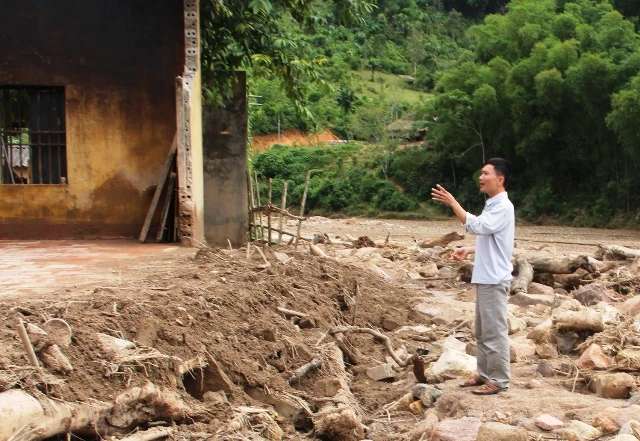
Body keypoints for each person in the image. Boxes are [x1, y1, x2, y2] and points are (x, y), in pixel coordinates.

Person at [431, 158, 514, 395]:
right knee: (481, 331)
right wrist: (469, 249)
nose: (481, 177)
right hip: (486, 277)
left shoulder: (502, 206)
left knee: (494, 331)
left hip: (494, 278)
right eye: (481, 172)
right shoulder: (493, 204)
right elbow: (493, 238)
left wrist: (453, 203)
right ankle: (485, 374)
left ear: (500, 179)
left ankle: (498, 380)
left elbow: (477, 226)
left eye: (486, 173)